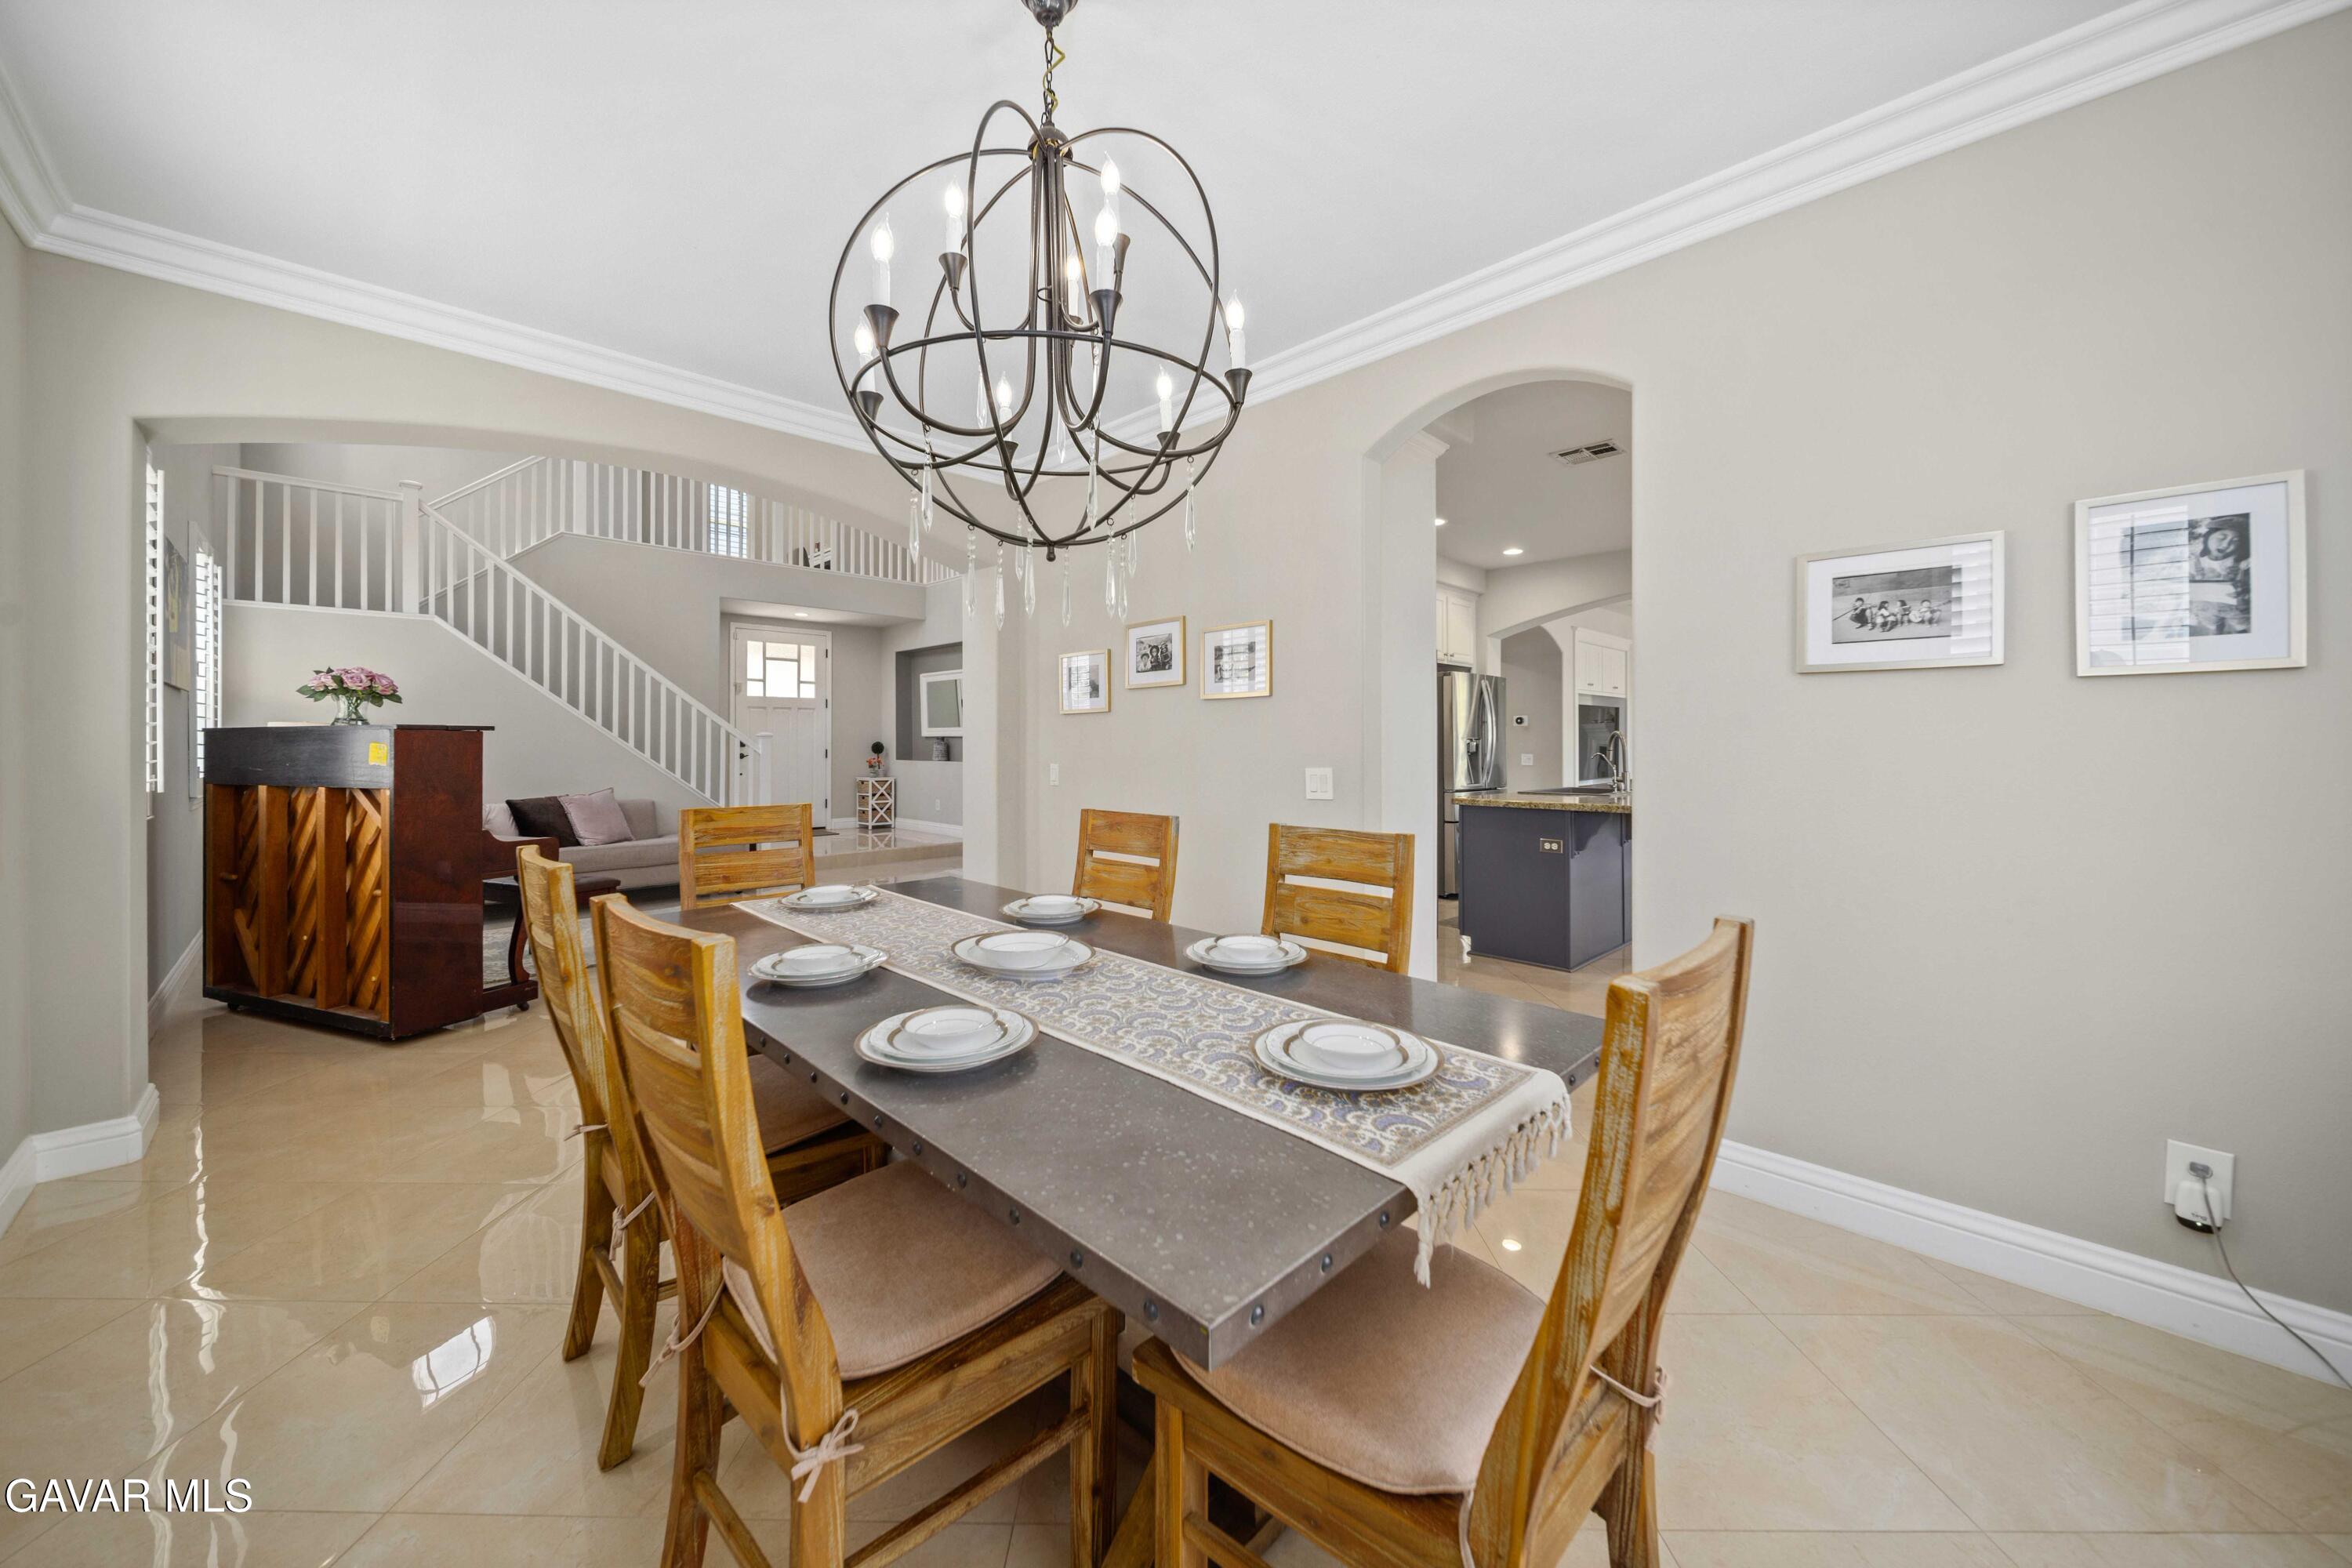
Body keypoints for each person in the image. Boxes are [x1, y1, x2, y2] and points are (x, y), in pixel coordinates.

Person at [2188, 516, 2251, 637]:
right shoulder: (2195, 563)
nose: (2227, 544)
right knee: (2214, 630)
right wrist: (2192, 614)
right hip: (2206, 609)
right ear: (2208, 538)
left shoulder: (2241, 563)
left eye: (2235, 541)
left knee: (2242, 629)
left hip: (2234, 609)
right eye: (2222, 537)